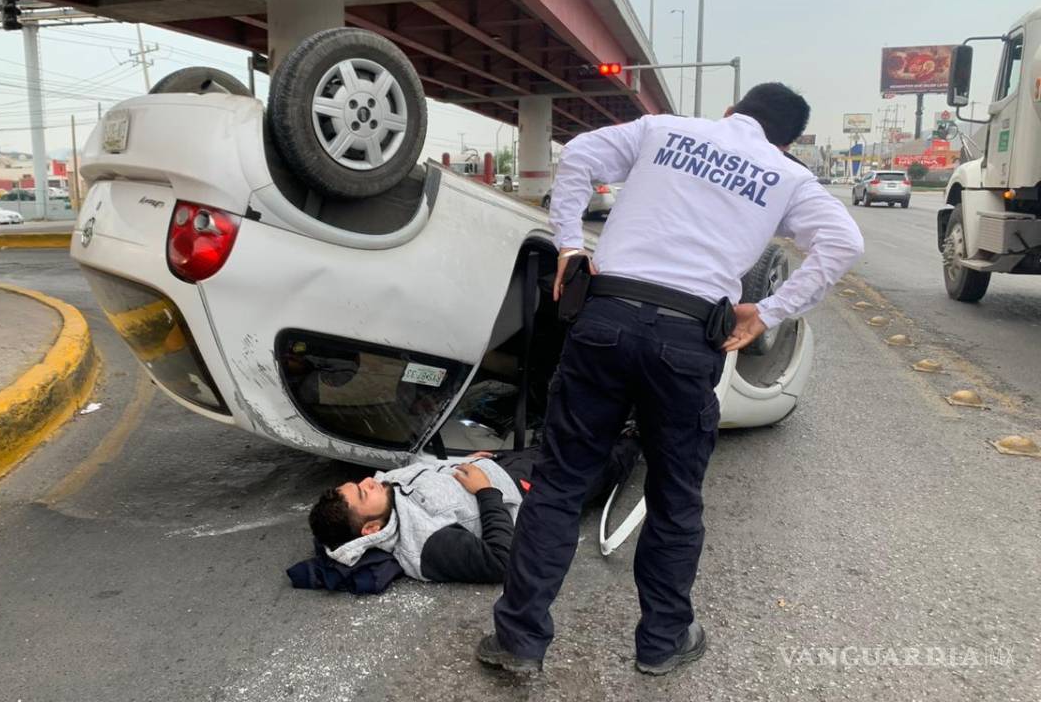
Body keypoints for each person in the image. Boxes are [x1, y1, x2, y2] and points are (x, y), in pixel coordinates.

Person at [476, 83, 864, 676]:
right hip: (688, 341)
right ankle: (662, 642)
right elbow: (843, 242)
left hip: (605, 319)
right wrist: (769, 311)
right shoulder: (787, 176)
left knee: (559, 484)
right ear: (786, 142)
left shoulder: (663, 129)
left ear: (730, 112)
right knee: (673, 496)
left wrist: (570, 247)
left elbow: (577, 155)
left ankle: (518, 643)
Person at [309, 455, 521, 584]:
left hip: (492, 463)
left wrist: (460, 462)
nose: (368, 480)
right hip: (517, 485)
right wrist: (486, 490)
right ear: (371, 528)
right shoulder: (428, 542)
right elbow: (501, 562)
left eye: (358, 484)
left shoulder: (385, 491)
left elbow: (424, 468)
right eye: (363, 493)